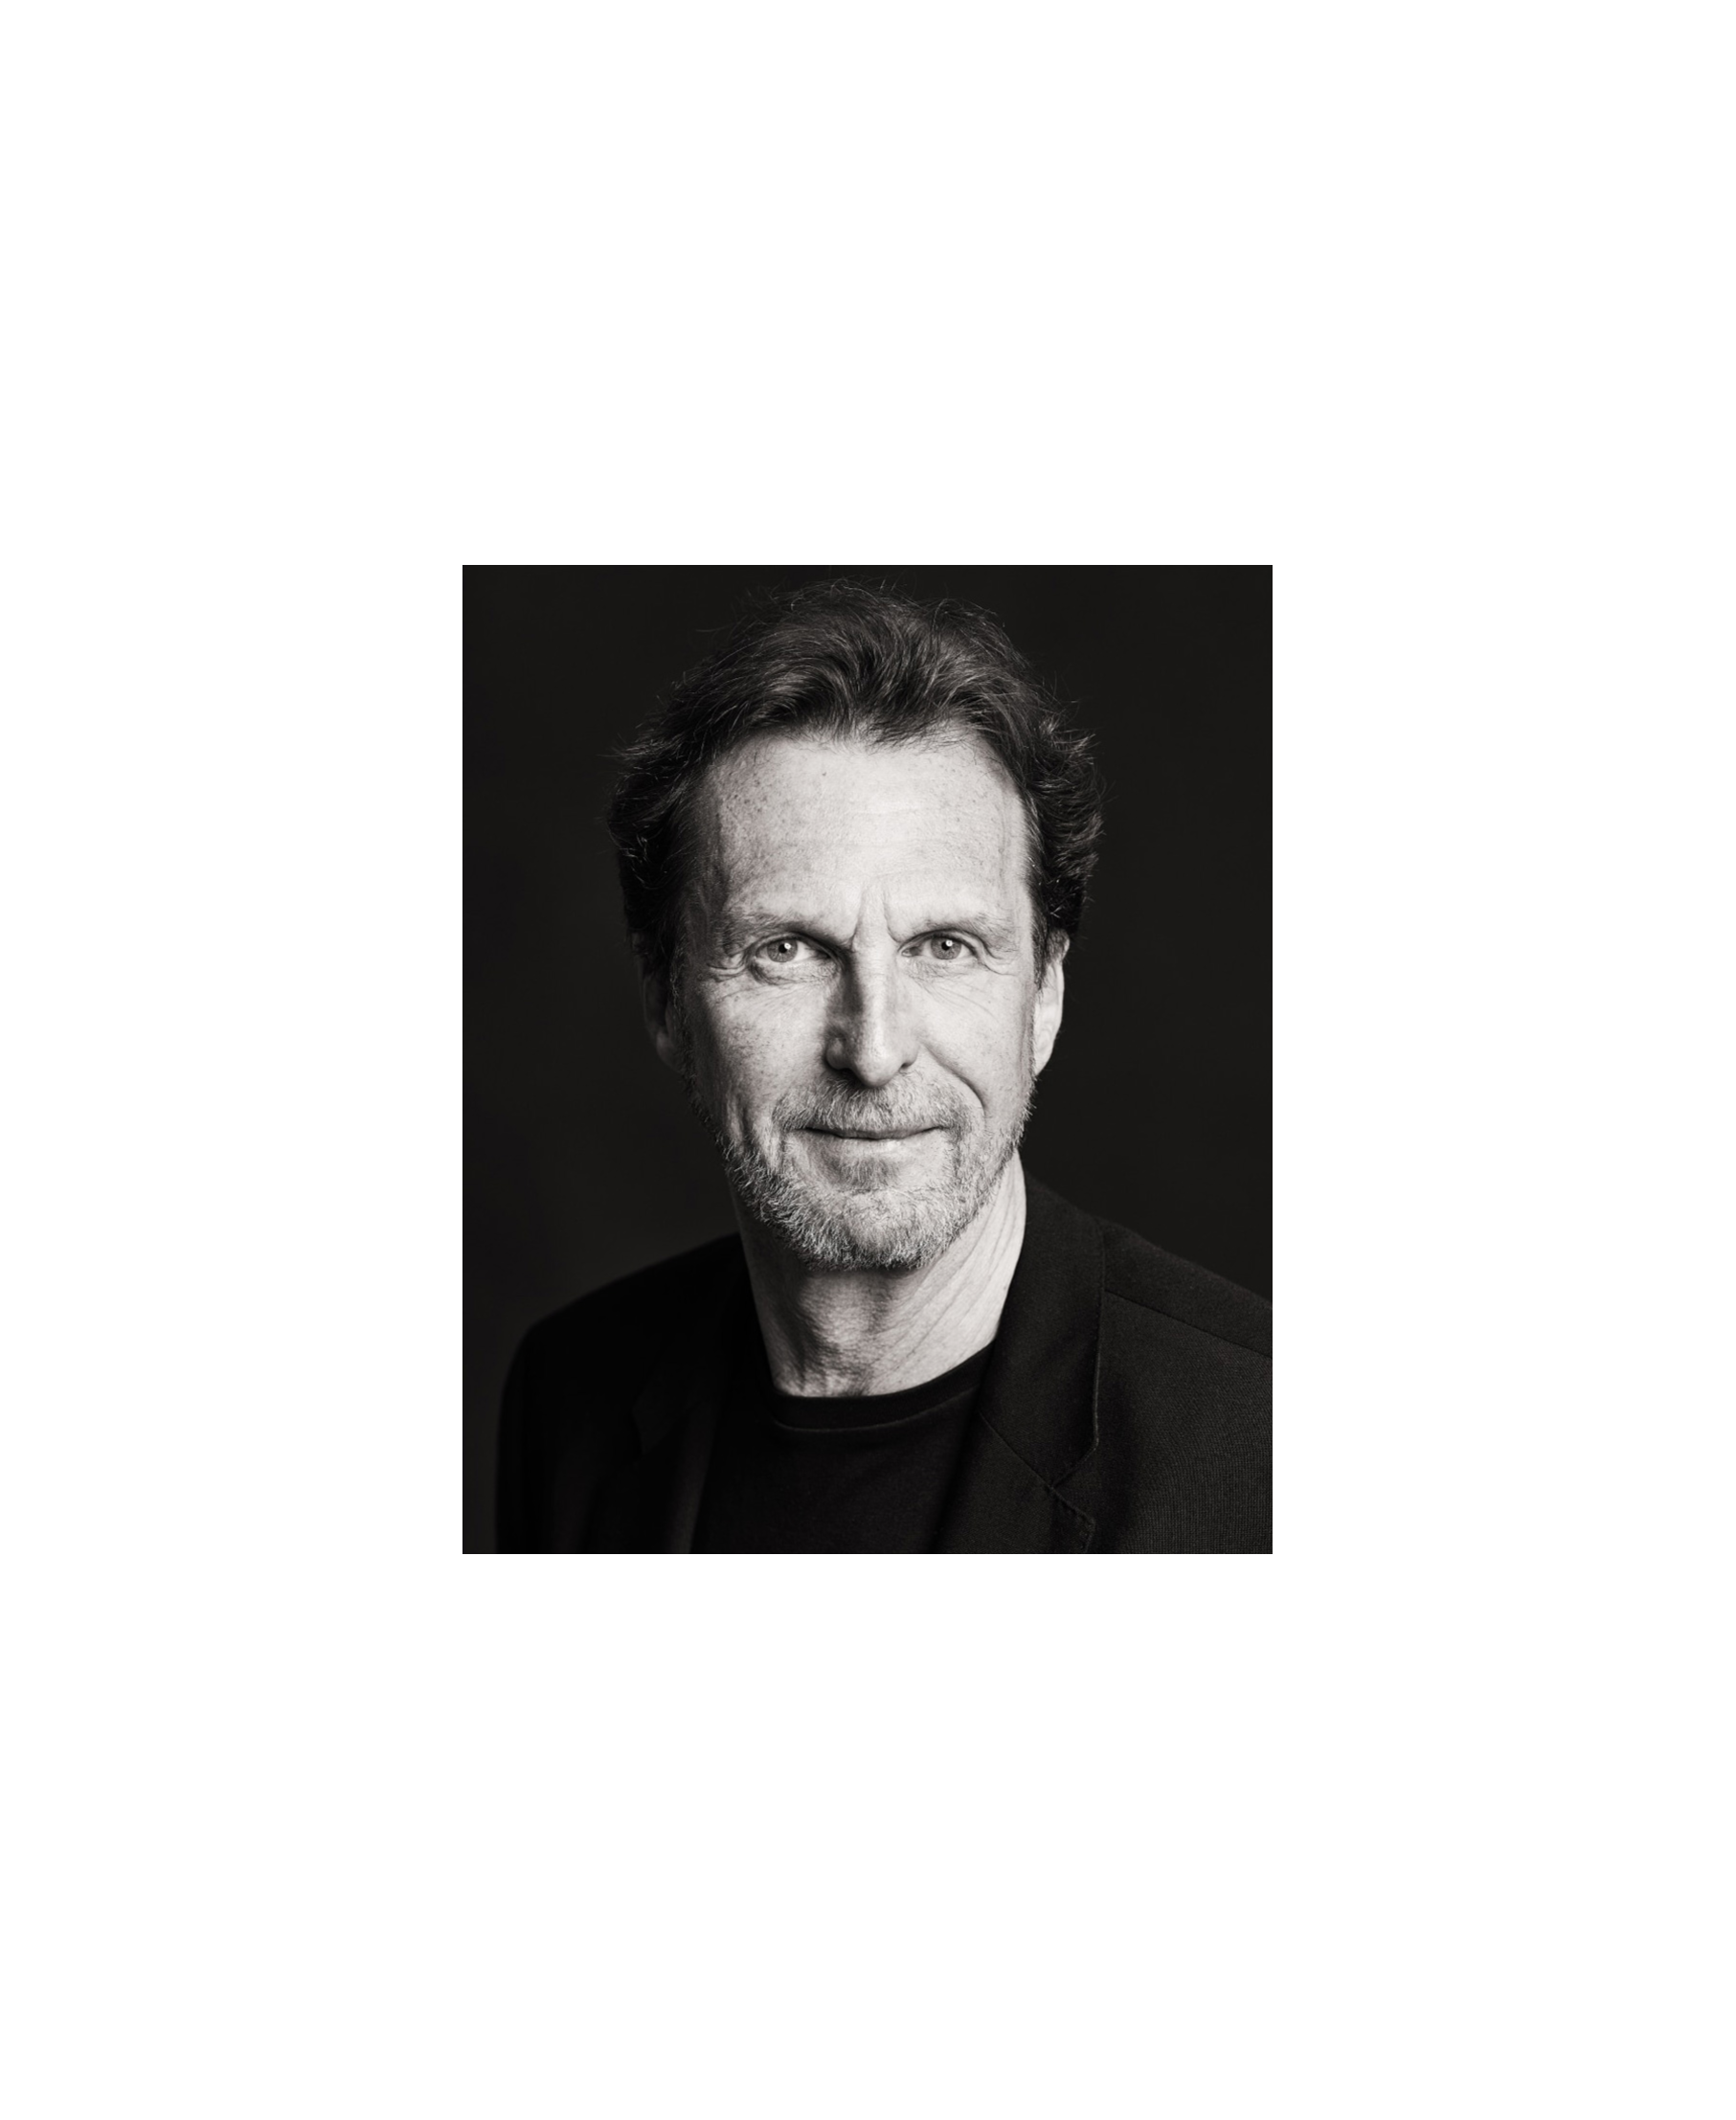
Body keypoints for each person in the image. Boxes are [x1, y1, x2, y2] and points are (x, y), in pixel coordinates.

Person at [496, 581, 1271, 1554]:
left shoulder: (1250, 1445)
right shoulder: (570, 1397)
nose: (872, 1050)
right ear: (665, 1000)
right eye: (787, 950)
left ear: (1043, 996)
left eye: (945, 947)